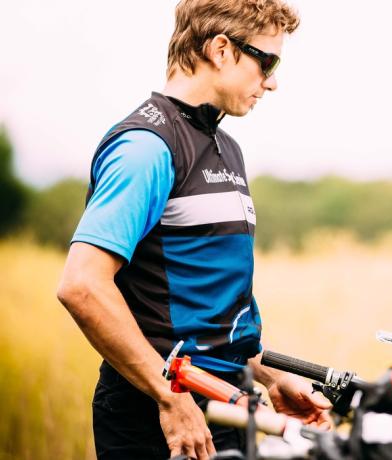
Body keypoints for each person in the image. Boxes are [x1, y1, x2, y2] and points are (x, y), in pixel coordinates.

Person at [56, 1, 331, 459]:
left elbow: (207, 310)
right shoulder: (145, 147)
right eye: (267, 60)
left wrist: (270, 376)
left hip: (227, 400)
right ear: (221, 50)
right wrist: (169, 397)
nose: (273, 81)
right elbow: (81, 285)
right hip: (158, 413)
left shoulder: (226, 147)